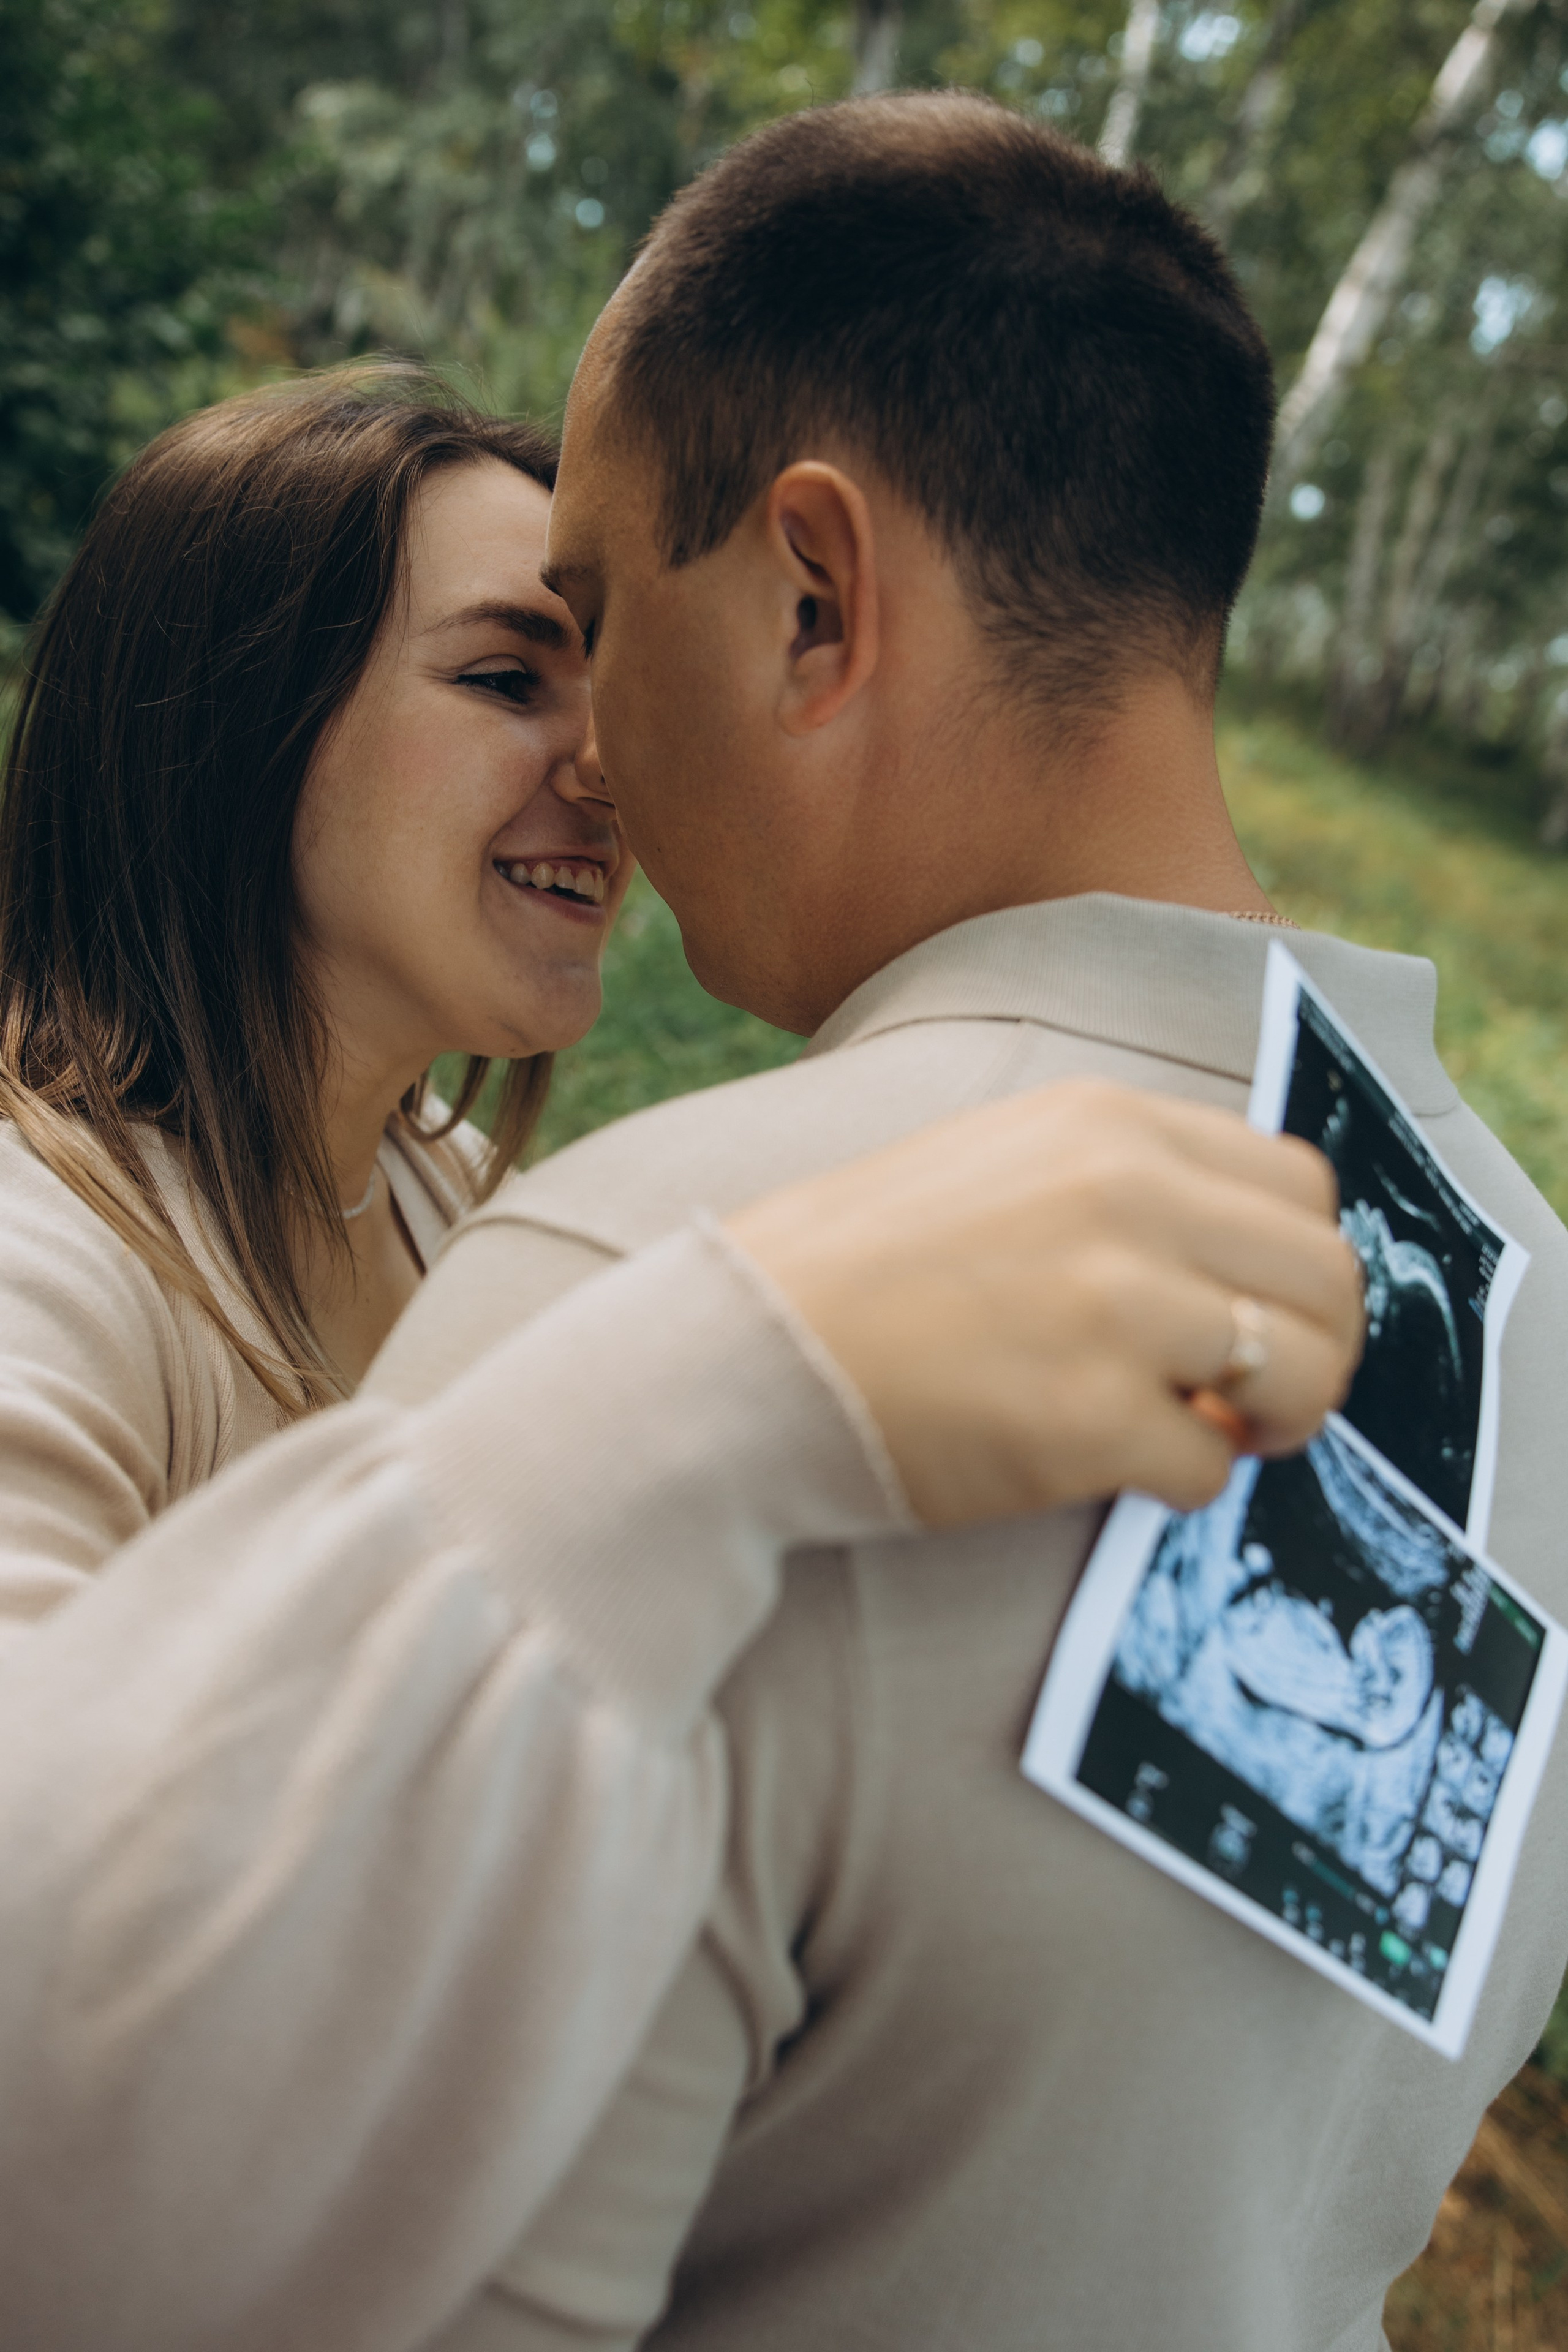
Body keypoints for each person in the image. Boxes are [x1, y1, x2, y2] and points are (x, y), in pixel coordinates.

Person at [369, 95, 1568, 2352]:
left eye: (607, 609)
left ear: (815, 600)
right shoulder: (1545, 1327)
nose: (595, 748)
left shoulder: (675, 1303)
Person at [0, 370, 1360, 2350]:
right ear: (225, 723)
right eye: (503, 681)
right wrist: (735, 1380)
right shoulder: (47, 1256)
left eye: (603, 664)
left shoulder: (452, 1199)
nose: (610, 764)